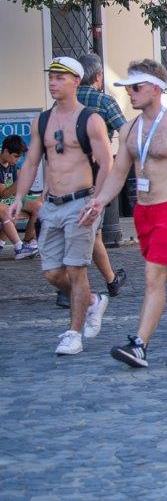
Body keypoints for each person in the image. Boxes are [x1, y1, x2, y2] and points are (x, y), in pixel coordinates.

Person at [79, 59, 167, 367]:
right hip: (144, 212)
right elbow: (118, 172)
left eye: (136, 87)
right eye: (128, 87)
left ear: (156, 89)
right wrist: (98, 202)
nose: (129, 93)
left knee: (154, 275)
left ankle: (139, 344)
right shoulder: (129, 129)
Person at [8, 58, 112, 356]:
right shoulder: (42, 120)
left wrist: (97, 200)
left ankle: (74, 333)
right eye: (51, 77)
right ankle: (92, 302)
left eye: (59, 78)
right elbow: (30, 163)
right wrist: (19, 199)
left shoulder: (90, 119)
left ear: (76, 81)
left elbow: (107, 163)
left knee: (75, 270)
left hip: (80, 203)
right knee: (52, 274)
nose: (53, 82)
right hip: (51, 206)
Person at [75, 53, 127, 300]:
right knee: (86, 228)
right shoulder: (105, 101)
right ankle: (72, 287)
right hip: (97, 171)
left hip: (70, 171)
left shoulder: (65, 102)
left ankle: (111, 280)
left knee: (92, 230)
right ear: (98, 76)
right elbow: (124, 130)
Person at [0, 136, 41, 259]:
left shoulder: (11, 165)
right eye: (16, 156)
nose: (17, 160)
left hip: (10, 199)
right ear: (6, 151)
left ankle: (28, 241)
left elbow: (16, 191)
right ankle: (19, 247)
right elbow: (4, 194)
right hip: (3, 200)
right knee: (9, 210)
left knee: (39, 206)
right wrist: (21, 180)